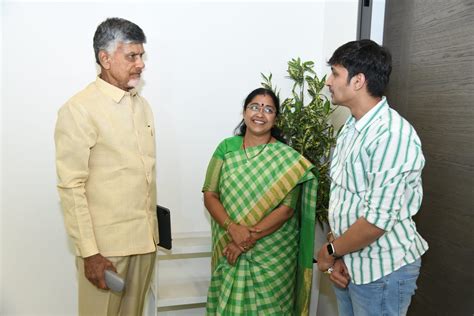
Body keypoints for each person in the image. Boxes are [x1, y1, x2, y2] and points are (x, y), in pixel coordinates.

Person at [316, 39, 429, 316]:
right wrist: (340, 252)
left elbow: (376, 221)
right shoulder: (351, 127)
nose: (328, 81)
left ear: (358, 81)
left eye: (335, 73)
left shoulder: (391, 134)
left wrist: (330, 250)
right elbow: (344, 196)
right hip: (353, 261)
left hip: (383, 271)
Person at [55, 17, 157, 316]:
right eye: (132, 56)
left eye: (142, 56)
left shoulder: (142, 105)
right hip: (105, 251)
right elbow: (71, 186)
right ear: (105, 58)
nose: (140, 64)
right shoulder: (79, 109)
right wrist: (90, 253)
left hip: (144, 242)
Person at [202, 88, 318, 315]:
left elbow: (286, 210)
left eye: (269, 109)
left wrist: (244, 240)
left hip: (272, 255)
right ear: (244, 112)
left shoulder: (288, 159)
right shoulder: (226, 148)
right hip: (228, 243)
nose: (260, 114)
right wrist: (232, 228)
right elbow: (210, 194)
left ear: (275, 118)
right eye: (255, 107)